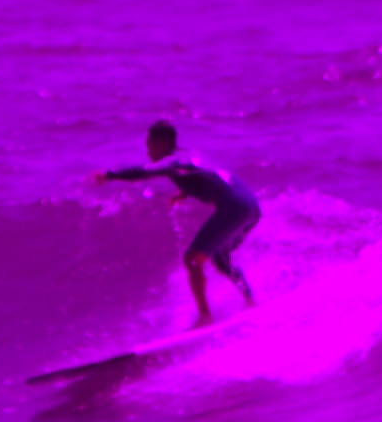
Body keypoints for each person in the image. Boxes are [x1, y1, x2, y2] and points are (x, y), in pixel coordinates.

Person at [96, 120, 261, 327]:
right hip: (252, 208)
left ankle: (205, 317)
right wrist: (184, 192)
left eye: (150, 145)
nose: (148, 151)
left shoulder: (172, 161)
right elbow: (212, 177)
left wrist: (109, 176)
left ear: (163, 143)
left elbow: (145, 172)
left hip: (233, 207)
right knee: (220, 257)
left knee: (192, 259)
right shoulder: (190, 156)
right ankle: (250, 301)